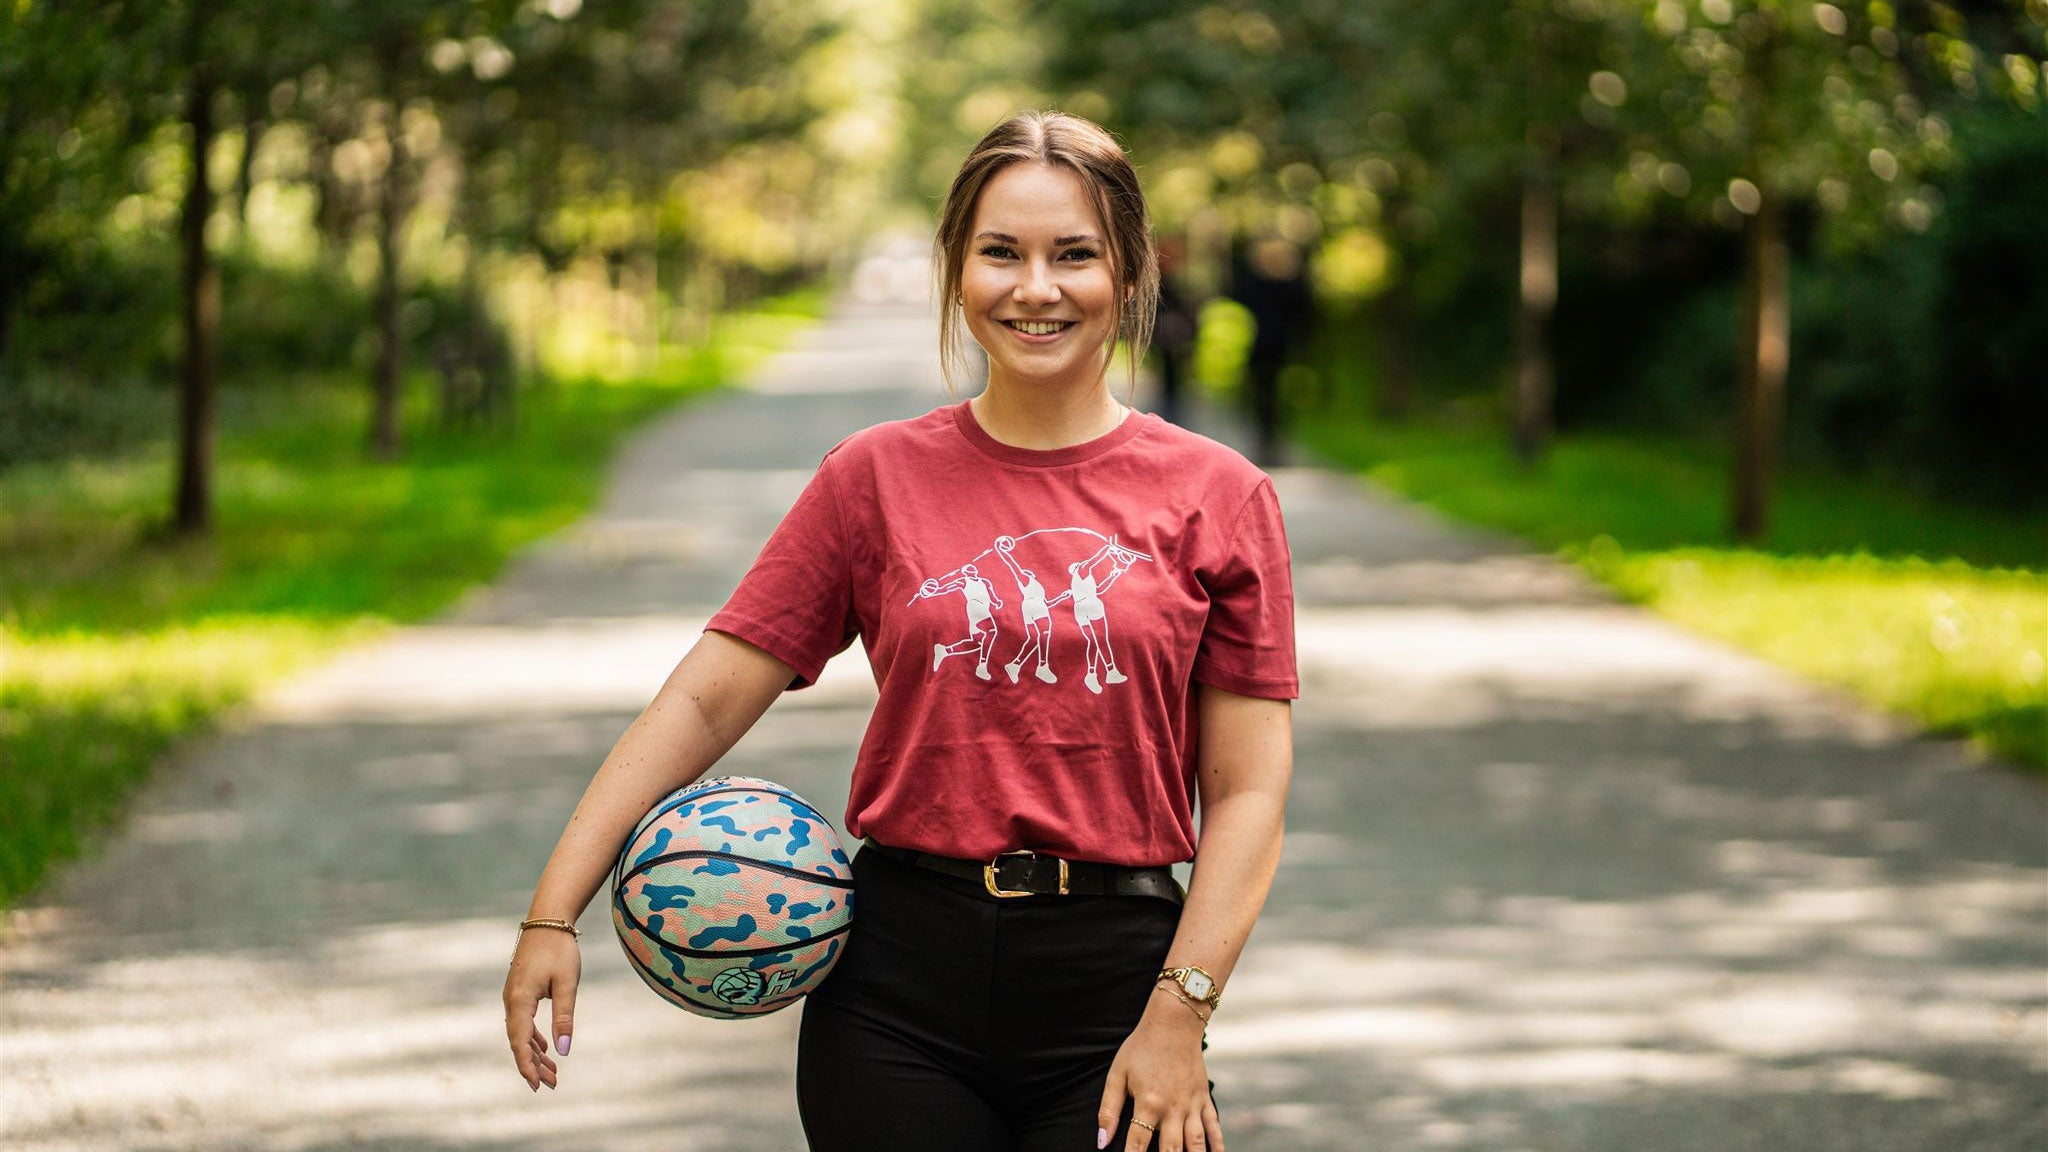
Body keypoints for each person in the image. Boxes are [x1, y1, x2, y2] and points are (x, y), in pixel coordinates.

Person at [502, 109, 1298, 1152]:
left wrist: (1179, 1010)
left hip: (1117, 989)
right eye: (999, 253)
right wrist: (552, 910)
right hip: (893, 994)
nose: (1035, 288)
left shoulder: (1219, 496)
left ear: (1129, 270)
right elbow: (702, 699)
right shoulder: (871, 478)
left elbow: (1246, 790)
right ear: (956, 269)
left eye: (1073, 255)